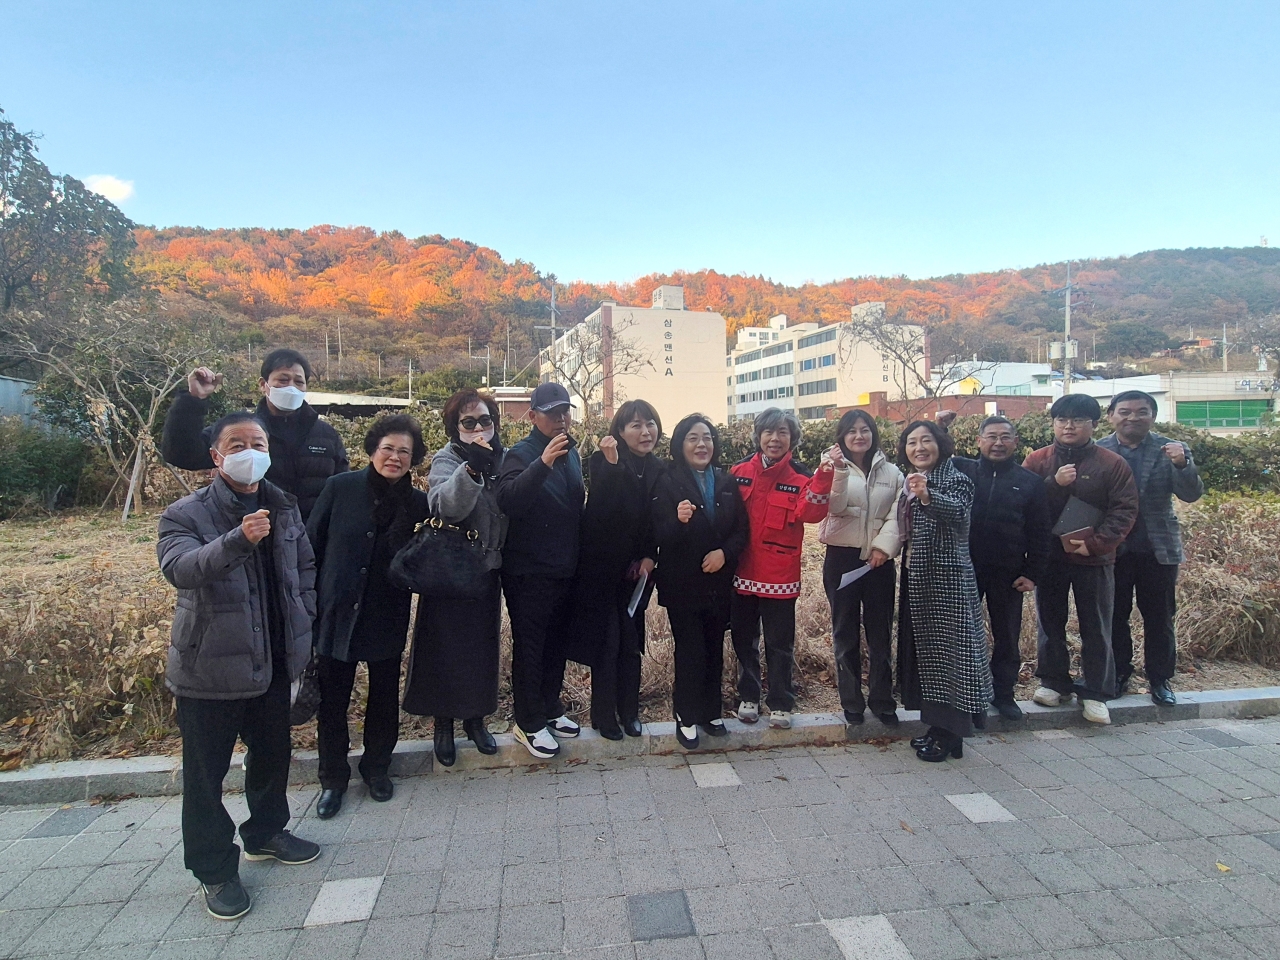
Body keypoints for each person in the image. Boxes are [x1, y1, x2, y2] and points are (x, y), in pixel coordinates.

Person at [157, 412, 320, 921]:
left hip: (273, 660)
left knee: (272, 755)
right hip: (209, 668)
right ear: (216, 456)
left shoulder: (283, 505)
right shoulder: (185, 514)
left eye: (258, 443)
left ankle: (266, 832)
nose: (249, 452)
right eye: (237, 444)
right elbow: (179, 569)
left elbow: (304, 568)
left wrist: (305, 620)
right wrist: (237, 540)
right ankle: (214, 869)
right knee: (205, 777)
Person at [306, 415, 430, 819]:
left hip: (386, 609)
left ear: (413, 458)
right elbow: (311, 546)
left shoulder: (417, 503)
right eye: (388, 448)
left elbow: (421, 557)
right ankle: (332, 779)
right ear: (373, 450)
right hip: (336, 608)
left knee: (383, 697)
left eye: (404, 452)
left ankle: (377, 769)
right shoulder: (340, 488)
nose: (395, 457)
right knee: (333, 699)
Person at [403, 390, 506, 765]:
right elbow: (444, 507)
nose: (478, 428)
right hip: (448, 570)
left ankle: (475, 720)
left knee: (480, 650)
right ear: (455, 427)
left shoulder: (504, 459)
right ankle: (443, 725)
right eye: (468, 422)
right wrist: (471, 470)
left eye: (485, 420)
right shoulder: (448, 459)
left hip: (486, 570)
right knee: (442, 650)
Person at [1023, 394, 1138, 725]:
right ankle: (1053, 682)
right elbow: (1023, 503)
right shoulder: (1038, 460)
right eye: (1062, 420)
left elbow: (1125, 509)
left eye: (1078, 420)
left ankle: (1096, 692)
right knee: (1050, 622)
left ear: (1094, 424)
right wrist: (1053, 483)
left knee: (1097, 625)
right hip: (1050, 557)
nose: (1069, 426)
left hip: (1094, 559)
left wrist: (1097, 544)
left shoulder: (1112, 463)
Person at [496, 382, 586, 759]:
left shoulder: (572, 453)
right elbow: (508, 500)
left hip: (564, 568)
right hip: (528, 572)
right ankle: (528, 722)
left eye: (565, 411)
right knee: (531, 647)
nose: (561, 419)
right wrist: (543, 463)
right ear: (533, 416)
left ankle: (550, 707)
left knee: (556, 644)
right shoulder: (521, 454)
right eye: (552, 413)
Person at [894, 420, 992, 762]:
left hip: (948, 581)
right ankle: (938, 728)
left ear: (941, 445)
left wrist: (927, 496)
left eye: (926, 441)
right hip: (919, 577)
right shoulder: (913, 479)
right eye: (911, 442)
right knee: (930, 659)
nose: (919, 448)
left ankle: (952, 735)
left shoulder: (955, 479)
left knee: (952, 658)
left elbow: (959, 512)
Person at [565, 400, 663, 740]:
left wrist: (650, 557)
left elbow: (657, 520)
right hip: (602, 570)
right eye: (635, 425)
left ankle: (630, 712)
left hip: (638, 573)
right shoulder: (602, 460)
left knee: (632, 642)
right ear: (620, 431)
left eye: (650, 423)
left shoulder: (660, 469)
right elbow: (600, 514)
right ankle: (604, 715)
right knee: (607, 642)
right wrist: (612, 466)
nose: (645, 432)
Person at [729, 407, 833, 729]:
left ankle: (780, 701)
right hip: (741, 571)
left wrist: (824, 476)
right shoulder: (738, 471)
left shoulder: (801, 477)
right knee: (744, 640)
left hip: (779, 575)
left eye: (782, 432)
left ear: (793, 438)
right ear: (758, 436)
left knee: (779, 643)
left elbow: (811, 514)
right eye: (769, 432)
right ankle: (748, 696)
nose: (775, 439)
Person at [1099, 390, 1204, 705]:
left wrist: (1182, 464)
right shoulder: (1098, 450)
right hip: (1113, 548)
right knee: (1113, 615)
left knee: (1159, 617)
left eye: (1141, 411)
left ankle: (1160, 679)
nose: (1133, 417)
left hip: (1158, 549)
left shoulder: (1171, 449)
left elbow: (1191, 495)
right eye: (1125, 411)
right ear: (1111, 416)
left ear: (1153, 416)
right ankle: (1118, 673)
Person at [654, 415, 750, 750]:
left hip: (718, 582)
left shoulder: (726, 481)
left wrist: (724, 553)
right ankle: (686, 714)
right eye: (693, 438)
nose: (701, 444)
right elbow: (657, 533)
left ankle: (711, 712)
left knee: (713, 648)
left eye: (707, 437)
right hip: (682, 583)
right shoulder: (667, 481)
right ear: (680, 444)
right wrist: (677, 520)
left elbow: (741, 530)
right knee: (690, 650)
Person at [161, 349, 349, 520]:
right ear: (263, 384)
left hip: (313, 539)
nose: (291, 387)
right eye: (283, 380)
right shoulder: (240, 430)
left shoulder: (326, 435)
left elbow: (341, 489)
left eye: (299, 382)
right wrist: (193, 400)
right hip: (254, 535)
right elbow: (182, 455)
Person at [953, 416, 1051, 722]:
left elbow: (1040, 532)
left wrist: (1032, 573)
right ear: (979, 441)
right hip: (964, 568)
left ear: (1016, 442)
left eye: (1005, 437)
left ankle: (1004, 694)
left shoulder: (1030, 483)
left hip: (1008, 571)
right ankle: (966, 697)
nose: (998, 443)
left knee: (1007, 635)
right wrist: (941, 427)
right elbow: (933, 454)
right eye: (991, 436)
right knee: (964, 635)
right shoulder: (962, 469)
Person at [818, 410, 904, 726]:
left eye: (864, 429)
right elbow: (834, 507)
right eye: (851, 431)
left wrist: (883, 548)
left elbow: (898, 515)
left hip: (880, 561)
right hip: (842, 559)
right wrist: (839, 471)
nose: (858, 436)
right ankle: (851, 701)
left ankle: (882, 700)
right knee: (845, 632)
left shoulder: (893, 473)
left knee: (880, 633)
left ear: (873, 434)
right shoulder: (830, 467)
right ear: (842, 436)